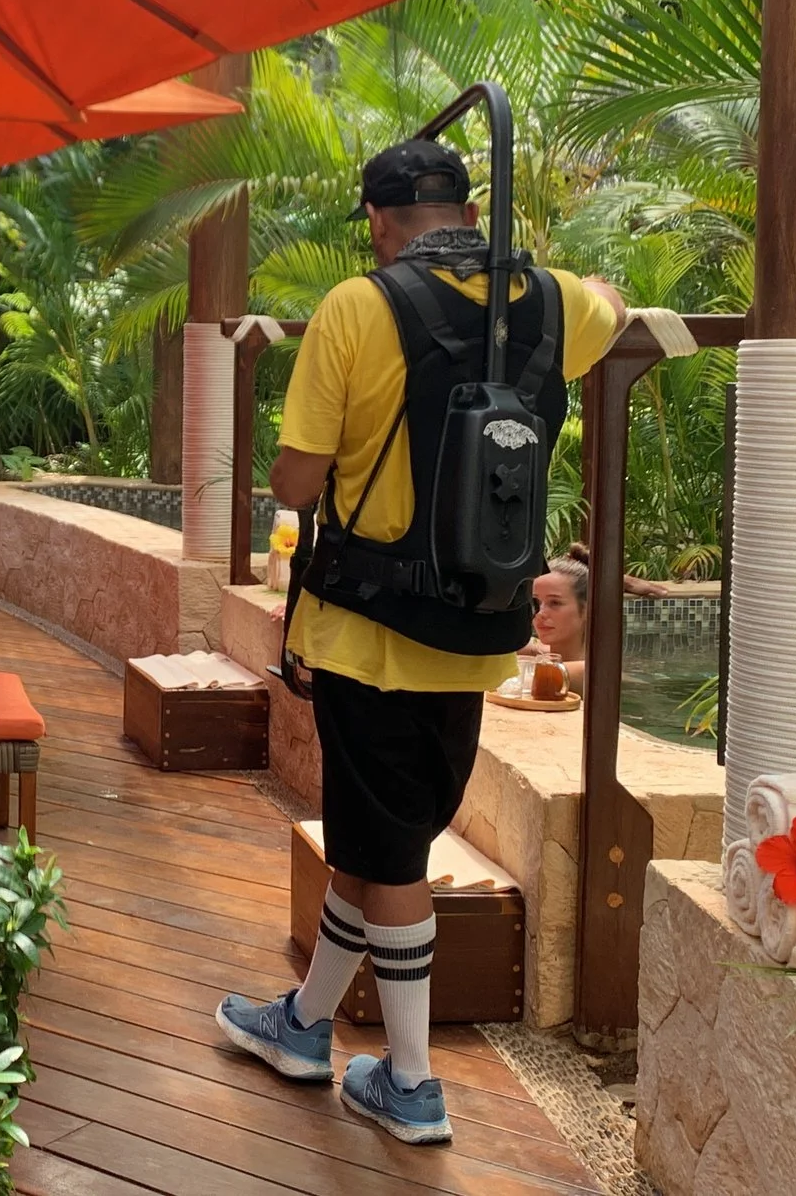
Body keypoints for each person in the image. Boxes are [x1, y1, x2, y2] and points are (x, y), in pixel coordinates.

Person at [216, 138, 625, 1145]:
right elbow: (609, 302)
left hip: (369, 632)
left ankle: (410, 1081)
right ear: (467, 209)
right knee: (376, 839)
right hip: (476, 628)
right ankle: (305, 1023)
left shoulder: (360, 307)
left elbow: (296, 486)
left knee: (390, 853)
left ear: (377, 219)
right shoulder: (552, 301)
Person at [526, 543, 670, 692]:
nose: (540, 613)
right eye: (535, 601)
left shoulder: (591, 670)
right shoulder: (541, 652)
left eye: (555, 603)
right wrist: (615, 579)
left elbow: (529, 678)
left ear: (589, 609)